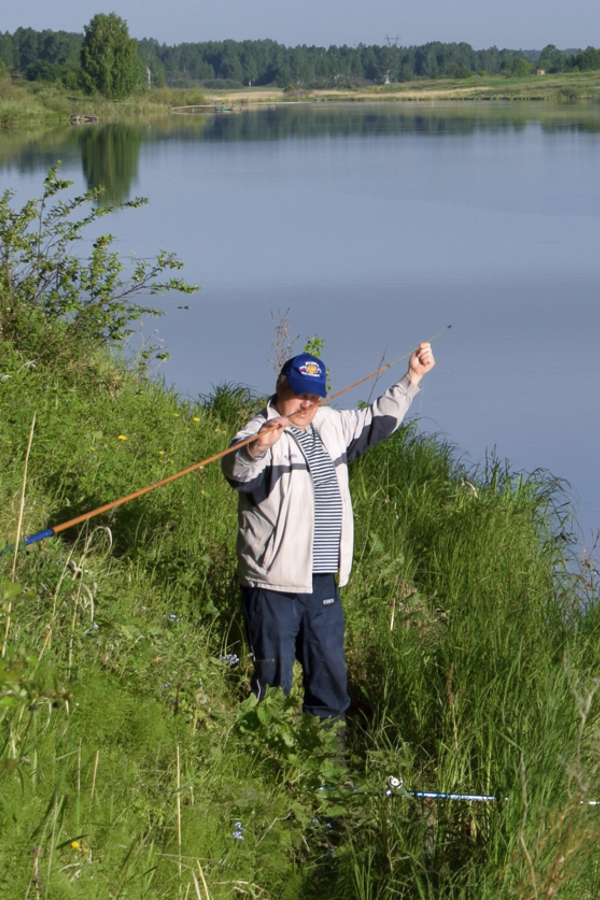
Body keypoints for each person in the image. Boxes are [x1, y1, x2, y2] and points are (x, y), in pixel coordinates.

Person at [221, 343, 435, 722]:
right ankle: (269, 764)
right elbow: (238, 473)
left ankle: (326, 763)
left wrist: (412, 377)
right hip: (273, 585)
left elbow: (376, 421)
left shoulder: (329, 424)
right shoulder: (258, 432)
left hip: (321, 582)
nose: (307, 404)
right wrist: (256, 449)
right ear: (280, 385)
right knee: (272, 685)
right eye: (300, 394)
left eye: (315, 397)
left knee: (331, 681)